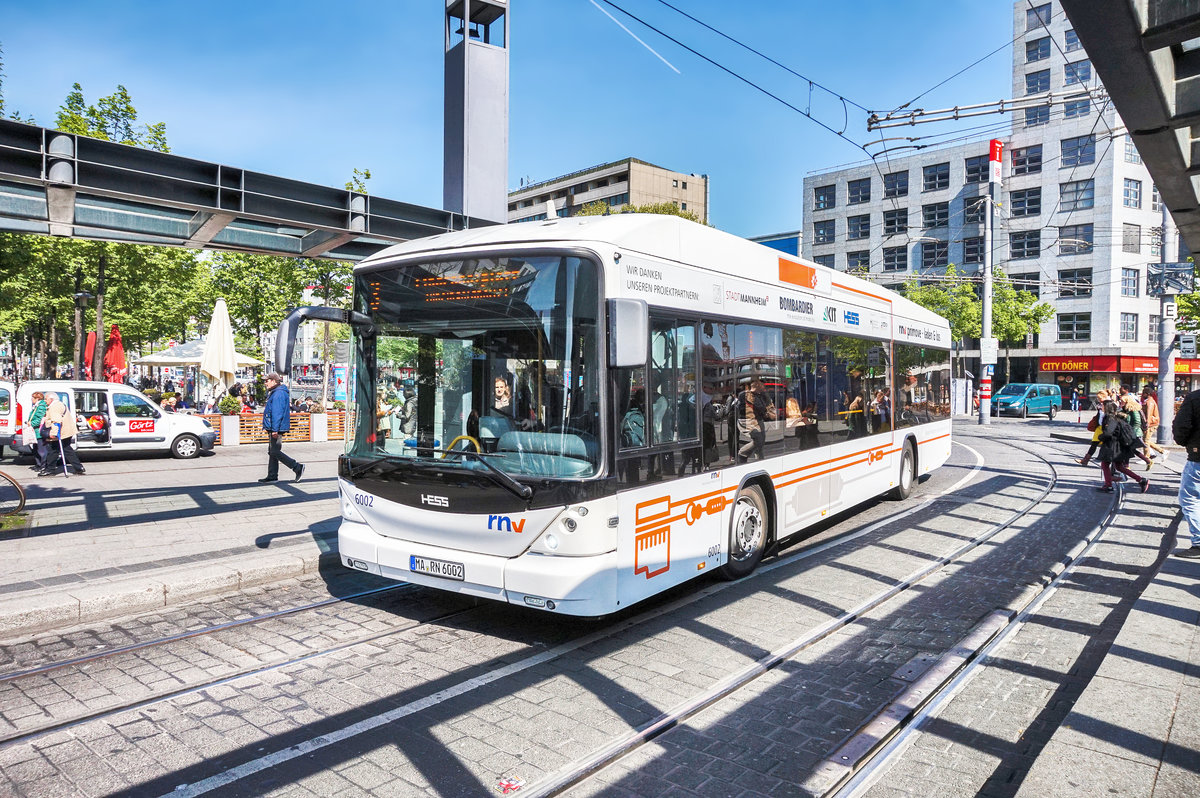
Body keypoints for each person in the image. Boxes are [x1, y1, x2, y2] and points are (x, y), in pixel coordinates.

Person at [1097, 399, 1149, 493]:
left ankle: (1108, 486)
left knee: (1105, 464)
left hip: (1113, 446)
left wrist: (1101, 437)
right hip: (1117, 446)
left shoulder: (1110, 418)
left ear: (1107, 407)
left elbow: (1109, 432)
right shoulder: (1113, 417)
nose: (1101, 407)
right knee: (1119, 467)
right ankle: (1141, 480)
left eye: (1103, 405)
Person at [260, 372, 304, 483]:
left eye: (267, 380)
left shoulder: (278, 393)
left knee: (274, 451)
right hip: (275, 427)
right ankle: (272, 475)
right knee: (272, 451)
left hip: (276, 428)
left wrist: (275, 429)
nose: (265, 383)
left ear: (274, 381)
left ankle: (297, 467)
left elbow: (277, 413)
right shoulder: (276, 392)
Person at [1173, 386, 1200, 558]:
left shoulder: (1195, 398)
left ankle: (1199, 543)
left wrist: (1186, 443)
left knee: (1189, 497)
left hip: (1199, 457)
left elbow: (1181, 426)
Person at [40, 393, 85, 476]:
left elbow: (57, 421)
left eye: (46, 399)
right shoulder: (60, 404)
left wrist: (53, 433)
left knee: (53, 450)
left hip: (61, 432)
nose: (45, 401)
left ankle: (50, 470)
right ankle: (79, 467)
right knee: (66, 449)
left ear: (51, 399)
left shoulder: (54, 407)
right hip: (67, 431)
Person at [737, 379, 775, 462]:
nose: (764, 387)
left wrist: (766, 413)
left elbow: (767, 407)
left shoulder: (762, 395)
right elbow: (742, 409)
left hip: (759, 420)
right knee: (758, 439)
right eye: (762, 385)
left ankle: (760, 460)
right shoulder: (744, 395)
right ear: (757, 385)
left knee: (761, 443)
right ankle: (742, 453)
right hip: (747, 421)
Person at [1141, 386, 1168, 466]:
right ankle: (1163, 451)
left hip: (1151, 423)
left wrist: (1147, 424)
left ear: (1147, 394)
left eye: (1144, 393)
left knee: (1145, 441)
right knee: (1146, 440)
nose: (1142, 395)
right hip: (1152, 423)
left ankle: (1147, 458)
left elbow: (1149, 414)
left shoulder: (1150, 402)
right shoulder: (1149, 401)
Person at [27, 391, 49, 473]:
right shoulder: (36, 406)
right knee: (35, 448)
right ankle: (39, 464)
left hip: (39, 430)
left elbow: (40, 419)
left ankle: (43, 465)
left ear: (37, 398)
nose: (31, 399)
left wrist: (31, 423)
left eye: (33, 398)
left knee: (41, 449)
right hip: (35, 431)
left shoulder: (41, 407)